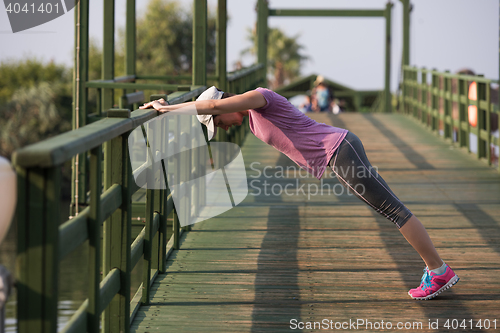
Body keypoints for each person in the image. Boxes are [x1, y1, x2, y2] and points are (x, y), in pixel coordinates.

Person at [140, 86, 460, 300]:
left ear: (223, 104)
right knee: (393, 210)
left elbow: (209, 104)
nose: (221, 128)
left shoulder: (258, 96)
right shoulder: (252, 121)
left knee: (394, 212)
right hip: (339, 151)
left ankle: (439, 271)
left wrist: (168, 111)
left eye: (216, 122)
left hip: (339, 150)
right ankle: (436, 269)